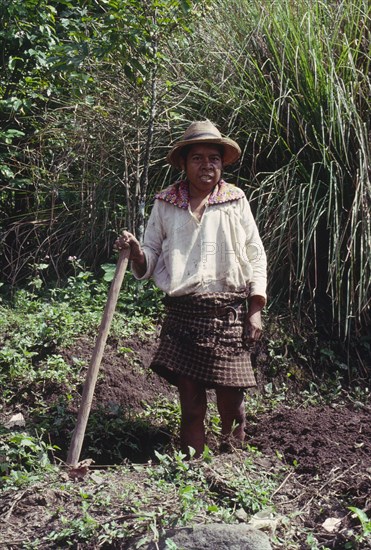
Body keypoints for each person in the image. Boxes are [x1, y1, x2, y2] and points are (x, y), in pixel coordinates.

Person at [115, 120, 267, 457]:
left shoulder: (234, 200)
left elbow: (256, 254)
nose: (206, 165)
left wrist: (254, 310)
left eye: (214, 158)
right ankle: (193, 470)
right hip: (185, 315)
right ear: (184, 163)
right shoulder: (166, 203)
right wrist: (138, 252)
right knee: (192, 405)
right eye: (197, 157)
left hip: (228, 313)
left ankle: (232, 461)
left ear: (221, 164)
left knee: (232, 403)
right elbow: (151, 256)